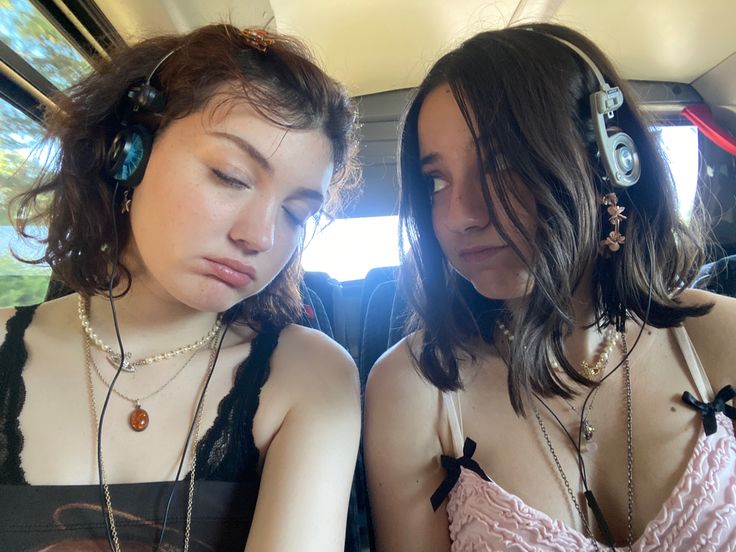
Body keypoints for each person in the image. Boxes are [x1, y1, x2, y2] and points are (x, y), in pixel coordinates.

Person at [365, 23, 735, 551]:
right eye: (436, 180)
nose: (460, 215)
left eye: (502, 164)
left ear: (606, 162)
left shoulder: (721, 338)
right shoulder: (415, 389)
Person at [0, 24, 361, 551]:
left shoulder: (310, 375)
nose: (260, 236)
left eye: (296, 212)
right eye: (230, 176)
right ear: (127, 154)